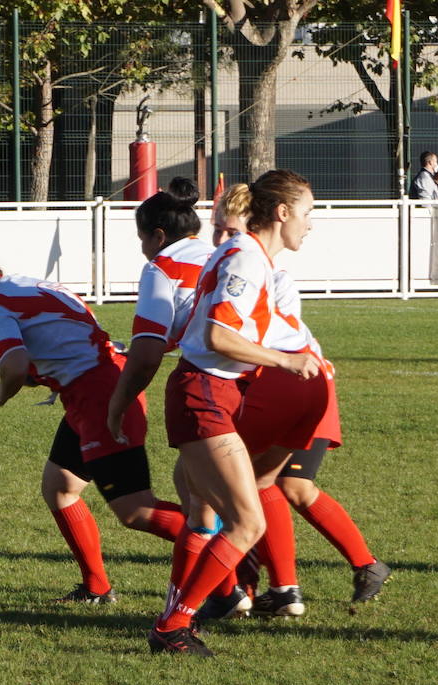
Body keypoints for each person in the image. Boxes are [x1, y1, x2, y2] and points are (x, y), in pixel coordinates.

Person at [0, 247, 186, 604]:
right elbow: (66, 334)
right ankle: (96, 588)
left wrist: (1, 394)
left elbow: (15, 367)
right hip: (96, 385)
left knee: (135, 510)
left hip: (99, 397)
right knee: (60, 486)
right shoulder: (24, 285)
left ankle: (231, 547)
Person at [148, 169, 329, 656]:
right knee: (247, 523)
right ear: (283, 212)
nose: (312, 224)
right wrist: (287, 362)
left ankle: (193, 611)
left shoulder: (251, 257)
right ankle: (173, 625)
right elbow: (217, 336)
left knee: (207, 513)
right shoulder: (247, 258)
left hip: (212, 394)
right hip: (203, 395)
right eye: (309, 213)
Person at [202, 182, 391, 621]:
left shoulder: (265, 274)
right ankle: (276, 586)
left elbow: (256, 338)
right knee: (263, 484)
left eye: (231, 231)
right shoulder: (239, 264)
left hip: (296, 389)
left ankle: (266, 586)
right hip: (280, 389)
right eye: (217, 231)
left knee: (267, 485)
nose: (223, 241)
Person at [104, 178, 251, 620]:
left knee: (206, 503)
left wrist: (118, 402)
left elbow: (148, 352)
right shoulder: (220, 255)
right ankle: (237, 593)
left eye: (141, 240)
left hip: (212, 386)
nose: (143, 250)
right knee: (202, 491)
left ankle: (196, 607)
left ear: (158, 236)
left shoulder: (162, 267)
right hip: (257, 379)